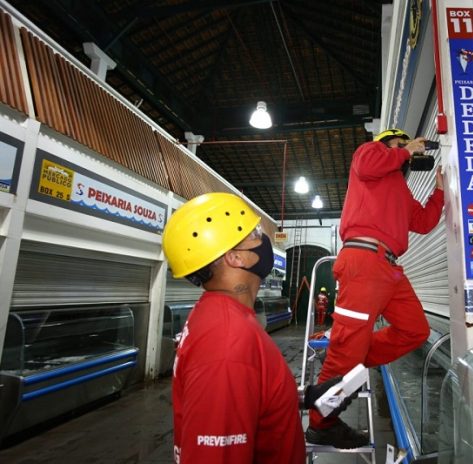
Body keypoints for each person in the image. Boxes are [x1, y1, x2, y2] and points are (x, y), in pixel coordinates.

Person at [162, 192, 351, 463]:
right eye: (254, 234)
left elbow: (244, 397)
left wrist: (304, 397)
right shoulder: (228, 343)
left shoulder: (218, 315)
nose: (263, 240)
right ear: (235, 258)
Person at [305, 128, 444, 448]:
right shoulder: (367, 155)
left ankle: (354, 359)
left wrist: (439, 192)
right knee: (345, 352)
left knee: (415, 330)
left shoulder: (399, 189)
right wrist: (406, 149)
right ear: (387, 145)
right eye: (399, 145)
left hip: (391, 268)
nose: (407, 152)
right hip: (364, 262)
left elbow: (422, 222)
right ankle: (320, 423)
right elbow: (371, 163)